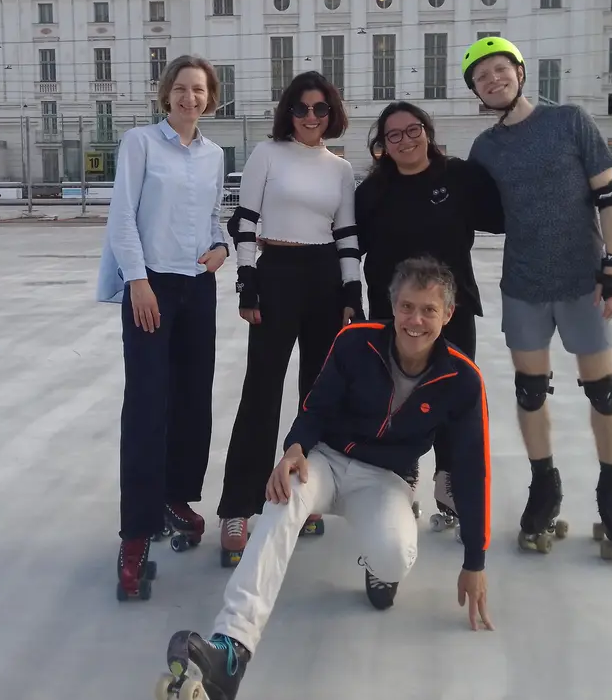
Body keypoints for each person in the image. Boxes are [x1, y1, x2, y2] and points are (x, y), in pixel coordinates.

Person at [156, 257, 493, 700]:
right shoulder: (356, 342)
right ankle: (232, 645)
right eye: (407, 307)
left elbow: (472, 470)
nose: (415, 321)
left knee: (393, 555)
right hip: (326, 461)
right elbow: (316, 406)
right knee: (283, 499)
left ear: (447, 314)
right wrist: (294, 449)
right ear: (392, 305)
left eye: (428, 310)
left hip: (385, 478)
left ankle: (380, 571)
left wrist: (475, 561)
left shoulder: (462, 379)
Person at [462, 35, 612, 562]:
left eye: (500, 69)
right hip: (524, 283)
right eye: (481, 77)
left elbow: (610, 194)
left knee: (603, 391)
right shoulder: (485, 149)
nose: (493, 80)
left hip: (584, 279)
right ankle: (545, 489)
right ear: (476, 91)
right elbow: (473, 210)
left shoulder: (569, 121)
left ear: (519, 72)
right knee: (530, 391)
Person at [95, 54, 230, 600]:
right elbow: (122, 216)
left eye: (199, 89)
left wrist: (222, 247)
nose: (189, 97)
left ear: (210, 98)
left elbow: (214, 216)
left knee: (193, 400)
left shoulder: (214, 154)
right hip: (151, 287)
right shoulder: (141, 144)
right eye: (181, 88)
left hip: (198, 286)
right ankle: (136, 530)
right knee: (148, 405)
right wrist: (137, 280)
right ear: (166, 93)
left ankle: (177, 496)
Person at [216, 71, 362, 564]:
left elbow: (346, 234)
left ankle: (306, 494)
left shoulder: (340, 168)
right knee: (261, 390)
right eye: (301, 108)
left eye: (320, 108)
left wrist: (352, 290)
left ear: (331, 113)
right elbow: (245, 221)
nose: (311, 117)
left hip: (325, 277)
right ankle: (238, 507)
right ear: (289, 112)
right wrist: (247, 279)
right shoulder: (268, 154)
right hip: (277, 273)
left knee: (316, 394)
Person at [355, 101, 504, 532]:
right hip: (393, 316)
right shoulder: (372, 192)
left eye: (413, 129)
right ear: (383, 146)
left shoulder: (458, 177)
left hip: (451, 312)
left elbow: (505, 215)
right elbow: (347, 246)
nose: (405, 140)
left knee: (454, 397)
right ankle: (401, 474)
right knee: (399, 398)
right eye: (393, 135)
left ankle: (450, 479)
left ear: (427, 131)